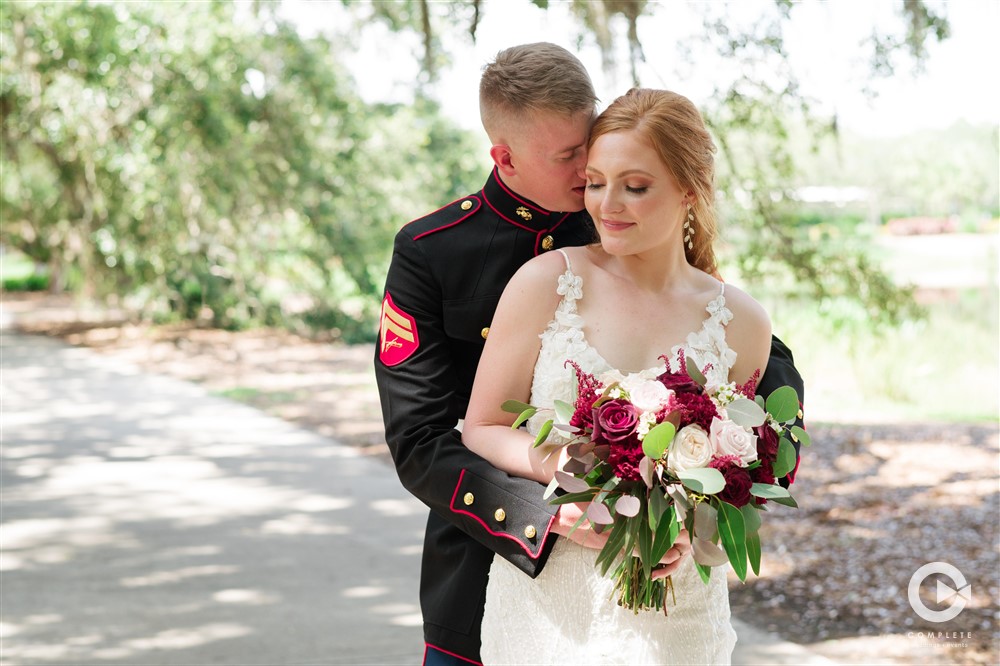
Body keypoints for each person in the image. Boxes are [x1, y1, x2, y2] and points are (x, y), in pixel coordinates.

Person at [375, 43, 803, 665]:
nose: (591, 177)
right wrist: (547, 515)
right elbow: (423, 440)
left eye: (593, 142)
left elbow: (767, 383)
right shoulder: (433, 250)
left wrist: (715, 494)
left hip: (661, 584)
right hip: (486, 560)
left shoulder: (624, 222)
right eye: (572, 157)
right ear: (505, 156)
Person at [462, 87, 776, 664]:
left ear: (689, 190)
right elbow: (482, 425)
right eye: (596, 182)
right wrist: (565, 475)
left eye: (635, 186)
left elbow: (742, 483)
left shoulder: (742, 322)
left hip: (678, 619)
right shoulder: (545, 283)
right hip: (549, 610)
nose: (608, 205)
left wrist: (692, 534)